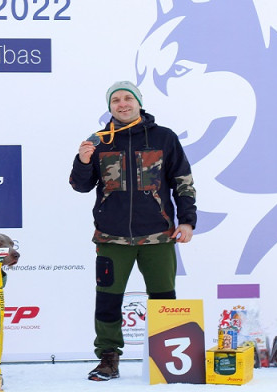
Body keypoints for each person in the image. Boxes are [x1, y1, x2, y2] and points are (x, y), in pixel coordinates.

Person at [69, 81, 197, 381]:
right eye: (115, 100)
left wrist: (187, 221)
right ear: (109, 106)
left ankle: (168, 361)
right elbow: (80, 185)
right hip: (111, 237)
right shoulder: (98, 140)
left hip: (158, 236)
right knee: (108, 299)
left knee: (164, 298)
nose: (122, 104)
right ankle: (108, 358)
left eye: (128, 98)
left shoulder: (164, 138)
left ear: (139, 103)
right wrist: (84, 160)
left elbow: (183, 181)